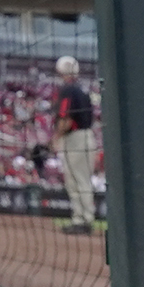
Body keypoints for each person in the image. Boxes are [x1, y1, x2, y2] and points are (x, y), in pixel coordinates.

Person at [52, 56, 98, 228]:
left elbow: (66, 119)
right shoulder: (82, 89)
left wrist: (54, 139)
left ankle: (82, 219)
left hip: (75, 139)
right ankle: (85, 218)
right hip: (87, 137)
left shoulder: (68, 90)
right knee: (83, 179)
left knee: (75, 180)